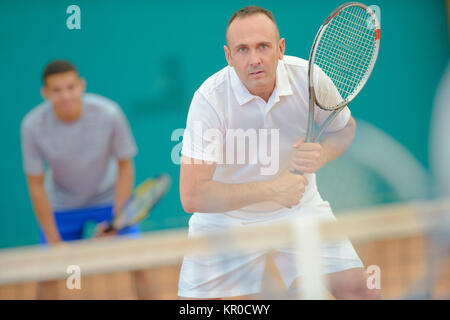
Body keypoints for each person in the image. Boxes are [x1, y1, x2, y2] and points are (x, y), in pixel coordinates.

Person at [178, 6, 381, 299]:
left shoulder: (309, 79)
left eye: (263, 46)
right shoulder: (209, 100)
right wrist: (272, 190)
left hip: (301, 211)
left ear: (281, 48)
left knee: (363, 293)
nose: (255, 59)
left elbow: (344, 129)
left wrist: (322, 155)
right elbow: (192, 195)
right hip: (225, 222)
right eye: (243, 50)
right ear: (228, 56)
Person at [20, 60, 152, 299]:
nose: (65, 95)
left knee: (139, 262)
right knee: (47, 271)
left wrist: (117, 218)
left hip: (109, 199)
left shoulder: (109, 113)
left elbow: (125, 165)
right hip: (61, 205)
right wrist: (53, 238)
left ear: (81, 85)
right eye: (56, 90)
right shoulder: (32, 126)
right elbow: (35, 185)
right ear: (45, 93)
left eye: (70, 87)